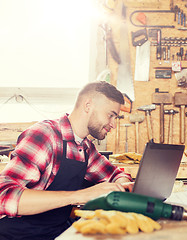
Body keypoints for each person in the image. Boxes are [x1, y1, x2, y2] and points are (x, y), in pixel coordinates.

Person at [0, 81, 134, 239]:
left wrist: (122, 186)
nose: (113, 125)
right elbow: (4, 196)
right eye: (110, 115)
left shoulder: (85, 147)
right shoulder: (45, 135)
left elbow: (115, 175)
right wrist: (80, 195)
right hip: (20, 234)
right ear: (88, 105)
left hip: (56, 231)